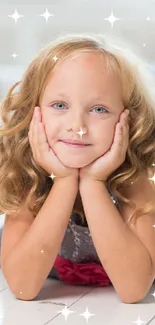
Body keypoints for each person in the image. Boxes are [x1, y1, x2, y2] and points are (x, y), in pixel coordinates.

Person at [0, 33, 155, 303]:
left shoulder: (132, 178)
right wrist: (62, 181)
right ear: (33, 113)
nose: (78, 126)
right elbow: (23, 288)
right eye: (60, 105)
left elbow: (134, 290)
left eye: (99, 109)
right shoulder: (30, 176)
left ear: (128, 119)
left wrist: (93, 183)